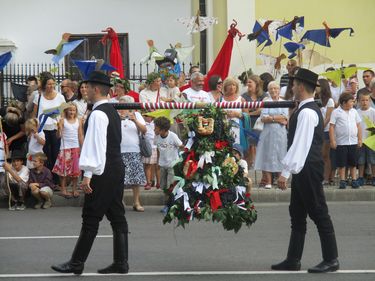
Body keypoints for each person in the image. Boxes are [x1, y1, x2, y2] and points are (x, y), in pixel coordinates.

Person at [51, 71, 128, 275]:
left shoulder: (98, 114)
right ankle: (121, 263)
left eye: (87, 87)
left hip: (103, 170)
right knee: (116, 215)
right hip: (115, 167)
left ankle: (76, 263)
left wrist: (87, 175)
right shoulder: (110, 111)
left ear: (95, 89)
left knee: (91, 216)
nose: (84, 91)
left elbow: (96, 147)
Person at [274, 68, 339, 273]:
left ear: (301, 86)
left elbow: (300, 145)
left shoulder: (308, 112)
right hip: (304, 167)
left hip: (308, 167)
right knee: (297, 213)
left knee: (319, 212)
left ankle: (331, 259)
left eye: (294, 84)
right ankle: (293, 259)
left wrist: (285, 172)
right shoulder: (304, 108)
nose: (292, 87)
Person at [254, 81, 288, 189]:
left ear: (279, 90)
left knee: (281, 155)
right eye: (271, 89)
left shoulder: (284, 102)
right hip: (268, 133)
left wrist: (272, 118)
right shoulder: (266, 102)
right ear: (268, 91)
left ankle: (280, 180)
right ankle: (268, 181)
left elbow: (285, 117)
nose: (273, 90)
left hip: (280, 133)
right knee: (267, 155)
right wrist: (278, 118)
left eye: (275, 88)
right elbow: (264, 117)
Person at [32, 72, 65, 177]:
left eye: (53, 84)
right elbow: (34, 114)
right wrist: (34, 129)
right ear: (44, 85)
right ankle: (46, 177)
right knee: (45, 155)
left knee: (56, 154)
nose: (51, 86)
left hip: (55, 129)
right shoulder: (38, 96)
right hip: (42, 130)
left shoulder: (60, 97)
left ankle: (55, 179)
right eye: (49, 84)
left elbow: (63, 113)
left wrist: (61, 126)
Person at [118, 96, 147, 212]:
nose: (120, 108)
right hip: (118, 150)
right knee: (119, 178)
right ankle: (119, 201)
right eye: (119, 105)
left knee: (136, 178)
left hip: (133, 149)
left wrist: (134, 120)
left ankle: (136, 202)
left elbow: (144, 130)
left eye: (122, 106)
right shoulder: (115, 115)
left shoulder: (136, 114)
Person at [329, 92, 362, 189]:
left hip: (353, 141)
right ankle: (343, 180)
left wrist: (360, 139)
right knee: (342, 162)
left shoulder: (354, 112)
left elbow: (358, 125)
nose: (353, 103)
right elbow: (332, 127)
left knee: (353, 162)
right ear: (344, 102)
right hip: (341, 142)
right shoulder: (336, 112)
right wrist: (332, 140)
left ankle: (354, 179)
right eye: (351, 101)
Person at [53, 103, 83, 198]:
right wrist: (59, 129)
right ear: (66, 111)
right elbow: (58, 136)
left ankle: (74, 189)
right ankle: (63, 189)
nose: (72, 112)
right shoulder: (62, 120)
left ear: (76, 111)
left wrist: (83, 147)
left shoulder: (79, 120)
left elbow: (80, 135)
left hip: (75, 147)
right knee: (64, 170)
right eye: (70, 110)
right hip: (65, 147)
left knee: (75, 170)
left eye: (73, 110)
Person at [154, 116, 183, 213]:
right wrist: (158, 162)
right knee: (164, 187)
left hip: (172, 165)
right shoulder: (156, 137)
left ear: (163, 129)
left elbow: (181, 146)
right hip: (162, 165)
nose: (154, 129)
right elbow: (158, 149)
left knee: (171, 186)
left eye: (156, 128)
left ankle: (169, 205)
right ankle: (169, 204)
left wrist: (181, 158)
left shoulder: (173, 136)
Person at [316, 79, 335, 185]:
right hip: (318, 130)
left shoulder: (329, 101)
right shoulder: (316, 99)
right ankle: (320, 175)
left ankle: (326, 177)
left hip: (326, 130)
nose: (316, 87)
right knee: (318, 155)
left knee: (325, 155)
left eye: (318, 85)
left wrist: (321, 127)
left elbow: (328, 117)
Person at [356, 92, 375, 186]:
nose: (364, 102)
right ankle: (360, 177)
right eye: (362, 100)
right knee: (361, 160)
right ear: (359, 101)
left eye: (366, 100)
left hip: (371, 140)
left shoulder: (373, 111)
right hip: (360, 139)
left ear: (369, 101)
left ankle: (373, 176)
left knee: (372, 159)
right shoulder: (356, 112)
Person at [142, 115, 160, 190]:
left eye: (147, 116)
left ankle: (159, 183)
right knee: (147, 165)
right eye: (145, 115)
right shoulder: (143, 124)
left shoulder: (156, 124)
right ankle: (149, 182)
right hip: (148, 147)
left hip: (157, 146)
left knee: (158, 166)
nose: (145, 117)